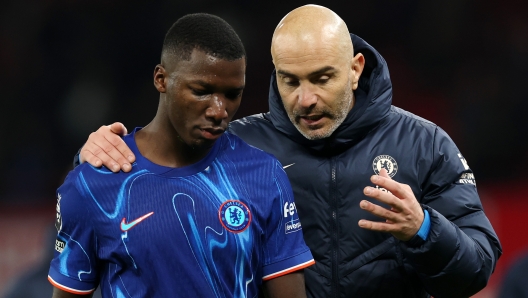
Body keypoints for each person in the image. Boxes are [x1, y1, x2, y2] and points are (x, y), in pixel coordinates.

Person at [77, 5, 502, 298]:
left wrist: (424, 229)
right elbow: (148, 169)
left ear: (355, 69)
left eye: (321, 78)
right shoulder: (235, 145)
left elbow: (477, 270)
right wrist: (96, 152)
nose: (305, 99)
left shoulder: (424, 144)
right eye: (290, 80)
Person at [48, 13, 314, 298]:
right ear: (161, 79)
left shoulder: (265, 175)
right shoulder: (93, 183)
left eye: (232, 94)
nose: (219, 111)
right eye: (201, 91)